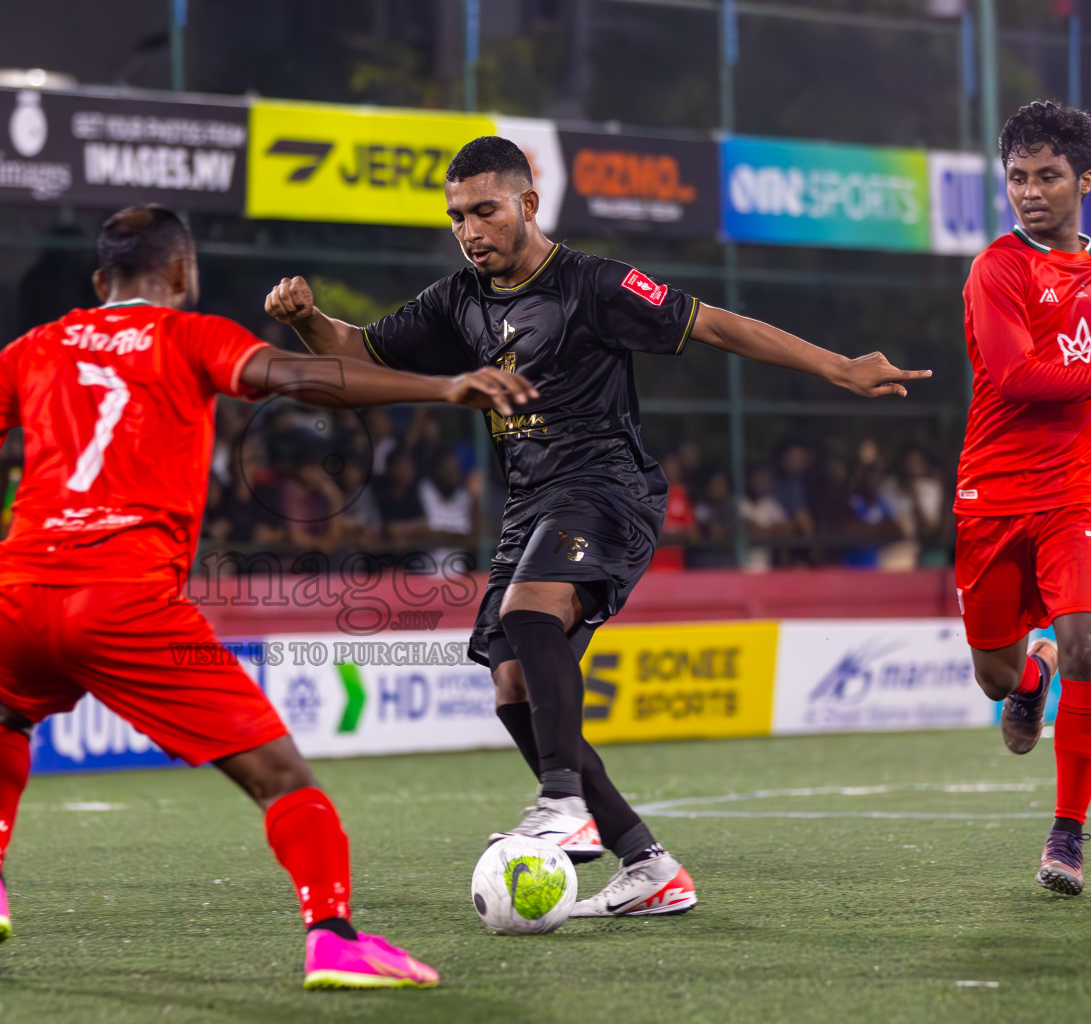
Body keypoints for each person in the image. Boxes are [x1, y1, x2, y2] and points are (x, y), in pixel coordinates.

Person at [265, 135, 927, 918]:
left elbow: (714, 325)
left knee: (529, 613)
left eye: (484, 210)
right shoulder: (458, 300)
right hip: (530, 502)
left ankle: (561, 799)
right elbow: (356, 355)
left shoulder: (593, 284)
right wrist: (308, 320)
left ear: (527, 203)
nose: (470, 230)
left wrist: (838, 367)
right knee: (513, 687)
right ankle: (647, 863)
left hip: (608, 487)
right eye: (456, 217)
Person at [0, 203, 534, 988]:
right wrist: (445, 388)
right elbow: (305, 377)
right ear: (181, 274)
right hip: (124, 598)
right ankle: (332, 933)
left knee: (0, 715)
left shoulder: (37, 346)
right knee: (283, 777)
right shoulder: (191, 335)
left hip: (22, 589)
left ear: (101, 282)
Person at [950, 101, 1091, 895]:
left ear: (1084, 180)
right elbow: (1018, 379)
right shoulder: (997, 269)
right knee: (994, 680)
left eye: (1047, 176)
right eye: (1017, 178)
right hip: (991, 494)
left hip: (1076, 494)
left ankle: (1067, 833)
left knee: (1090, 644)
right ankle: (1032, 672)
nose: (1030, 192)